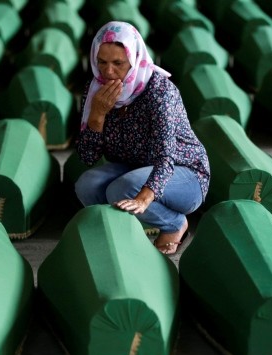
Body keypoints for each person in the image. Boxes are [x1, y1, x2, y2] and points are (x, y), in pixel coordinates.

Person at [74, 21, 210, 255]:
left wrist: (144, 197)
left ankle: (175, 224)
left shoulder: (159, 91)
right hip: (134, 169)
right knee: (87, 185)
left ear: (135, 59)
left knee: (121, 189)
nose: (108, 72)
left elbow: (165, 157)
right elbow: (88, 156)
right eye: (102, 62)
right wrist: (97, 116)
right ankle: (123, 231)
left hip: (184, 174)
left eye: (118, 63)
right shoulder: (96, 90)